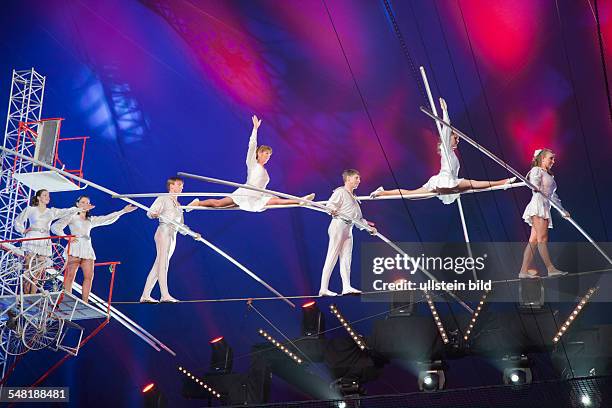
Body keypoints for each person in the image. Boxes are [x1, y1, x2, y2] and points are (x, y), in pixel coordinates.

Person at [370, 98, 515, 204]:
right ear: (449, 139)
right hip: (444, 182)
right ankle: (502, 183)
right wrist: (445, 112)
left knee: (411, 194)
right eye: (456, 138)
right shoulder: (446, 147)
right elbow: (446, 128)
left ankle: (382, 192)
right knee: (471, 184)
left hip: (447, 183)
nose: (458, 141)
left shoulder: (451, 152)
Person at [189, 115, 315, 211]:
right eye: (266, 154)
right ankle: (198, 203)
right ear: (259, 153)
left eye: (269, 155)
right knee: (219, 204)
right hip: (245, 193)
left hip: (258, 197)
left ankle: (300, 201)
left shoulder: (265, 172)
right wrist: (255, 129)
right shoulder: (252, 164)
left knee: (276, 201)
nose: (268, 157)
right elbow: (252, 146)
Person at [51, 196, 137, 303]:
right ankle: (67, 299)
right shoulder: (72, 216)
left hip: (87, 248)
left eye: (87, 203)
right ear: (77, 204)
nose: (85, 204)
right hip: (75, 247)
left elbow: (107, 219)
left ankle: (85, 301)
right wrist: (66, 236)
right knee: (70, 275)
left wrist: (123, 211)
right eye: (83, 202)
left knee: (89, 276)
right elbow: (55, 227)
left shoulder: (90, 220)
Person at [15, 189, 93, 294]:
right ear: (38, 197)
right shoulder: (30, 209)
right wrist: (23, 230)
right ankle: (23, 297)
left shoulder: (51, 212)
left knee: (38, 273)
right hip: (32, 238)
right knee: (28, 270)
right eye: (45, 195)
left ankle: (31, 298)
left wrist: (79, 208)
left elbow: (66, 211)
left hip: (45, 240)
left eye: (48, 195)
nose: (48, 197)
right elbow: (18, 221)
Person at [140, 176, 199, 303]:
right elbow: (150, 213)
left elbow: (181, 226)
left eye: (182, 185)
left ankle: (145, 295)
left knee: (158, 266)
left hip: (173, 235)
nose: (181, 187)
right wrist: (153, 214)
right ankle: (164, 295)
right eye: (179, 184)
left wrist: (193, 234)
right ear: (171, 186)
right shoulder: (163, 198)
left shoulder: (178, 205)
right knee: (163, 264)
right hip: (164, 231)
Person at [319, 169, 377, 296]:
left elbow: (358, 219)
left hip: (349, 228)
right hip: (339, 224)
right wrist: (332, 210)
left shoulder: (354, 198)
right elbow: (330, 206)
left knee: (346, 259)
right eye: (357, 178)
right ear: (348, 179)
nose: (359, 180)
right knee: (332, 256)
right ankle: (323, 288)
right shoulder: (340, 192)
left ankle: (346, 287)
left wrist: (368, 228)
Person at [518, 148, 569, 278]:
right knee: (542, 239)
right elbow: (533, 184)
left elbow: (553, 196)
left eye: (553, 158)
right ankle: (550, 269)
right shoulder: (536, 170)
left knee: (534, 241)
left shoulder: (549, 175)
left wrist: (562, 210)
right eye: (550, 158)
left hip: (545, 207)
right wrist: (535, 186)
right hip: (538, 206)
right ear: (542, 159)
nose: (553, 161)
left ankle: (523, 271)